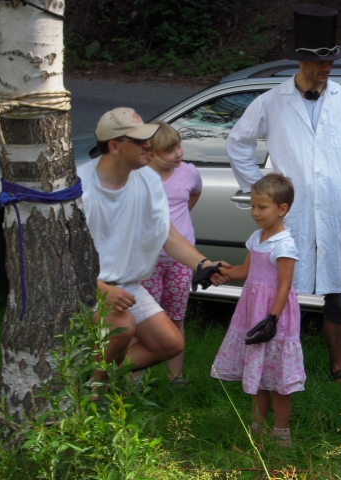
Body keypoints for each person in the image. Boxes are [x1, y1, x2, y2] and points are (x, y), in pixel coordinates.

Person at [226, 4, 341, 394]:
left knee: (340, 296)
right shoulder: (272, 101)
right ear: (300, 60)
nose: (327, 69)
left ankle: (340, 369)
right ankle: (273, 368)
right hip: (289, 215)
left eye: (331, 62)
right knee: (280, 290)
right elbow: (237, 142)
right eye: (319, 63)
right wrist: (261, 190)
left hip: (337, 211)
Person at [78, 107, 228, 382]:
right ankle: (94, 393)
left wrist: (203, 264)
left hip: (127, 284)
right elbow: (64, 255)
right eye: (139, 140)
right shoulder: (82, 187)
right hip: (86, 286)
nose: (147, 145)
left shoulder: (147, 178)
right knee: (122, 326)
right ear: (114, 146)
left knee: (170, 343)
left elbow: (167, 235)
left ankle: (93, 380)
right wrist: (100, 289)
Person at [211, 173, 305, 447]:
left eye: (262, 207)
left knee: (278, 378)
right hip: (252, 313)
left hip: (274, 317)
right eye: (253, 206)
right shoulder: (256, 238)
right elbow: (244, 271)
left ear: (282, 209)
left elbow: (284, 287)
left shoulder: (284, 244)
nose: (255, 212)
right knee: (259, 374)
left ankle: (281, 432)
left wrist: (272, 320)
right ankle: (258, 430)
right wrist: (217, 270)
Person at [137, 121, 202, 383]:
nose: (178, 154)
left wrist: (180, 223)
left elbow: (193, 195)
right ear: (150, 154)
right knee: (143, 322)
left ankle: (176, 378)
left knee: (175, 318)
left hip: (179, 262)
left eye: (178, 147)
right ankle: (134, 381)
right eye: (170, 151)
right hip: (147, 263)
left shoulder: (188, 173)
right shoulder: (138, 178)